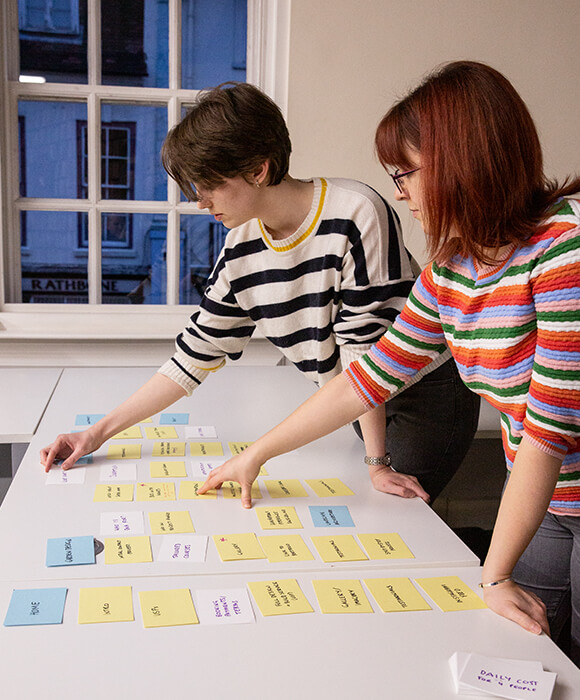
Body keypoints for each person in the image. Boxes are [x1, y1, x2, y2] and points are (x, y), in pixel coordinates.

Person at [198, 63, 580, 663]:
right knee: (543, 644)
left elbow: (548, 431)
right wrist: (256, 455)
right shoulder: (453, 267)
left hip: (551, 468)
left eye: (404, 174)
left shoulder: (564, 250)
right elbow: (366, 380)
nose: (400, 192)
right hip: (544, 495)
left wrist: (494, 574)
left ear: (462, 163)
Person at [40, 82, 478, 505]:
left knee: (401, 518)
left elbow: (361, 355)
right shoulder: (241, 246)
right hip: (351, 400)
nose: (200, 201)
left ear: (257, 169)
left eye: (209, 185)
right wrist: (95, 434)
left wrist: (376, 463)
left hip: (423, 395)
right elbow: (195, 354)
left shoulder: (356, 212)